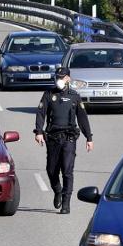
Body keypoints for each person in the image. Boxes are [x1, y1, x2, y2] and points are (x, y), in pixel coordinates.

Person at [34, 66, 93, 214]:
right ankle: (58, 191)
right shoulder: (49, 94)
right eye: (57, 77)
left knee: (67, 171)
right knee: (51, 169)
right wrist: (39, 132)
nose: (59, 80)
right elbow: (41, 113)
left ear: (68, 78)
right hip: (53, 137)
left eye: (62, 77)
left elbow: (82, 118)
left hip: (69, 137)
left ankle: (66, 203)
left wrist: (89, 137)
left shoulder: (74, 96)